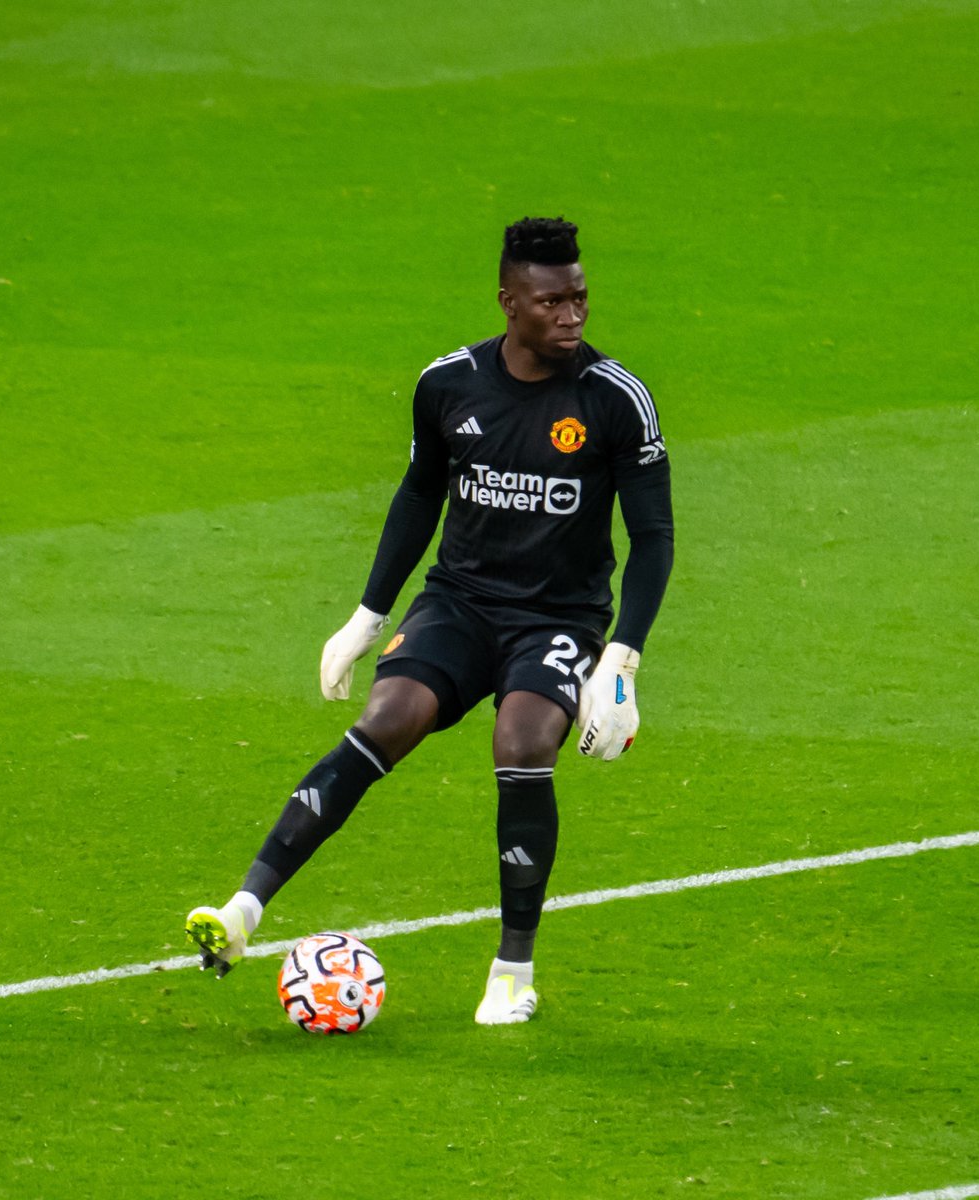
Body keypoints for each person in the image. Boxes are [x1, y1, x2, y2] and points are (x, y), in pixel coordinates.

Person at [186, 216, 674, 1024]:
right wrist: (367, 616)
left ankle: (512, 971)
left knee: (522, 742)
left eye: (580, 298)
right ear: (509, 301)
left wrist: (620, 661)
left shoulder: (615, 399)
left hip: (557, 618)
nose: (572, 315)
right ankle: (242, 911)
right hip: (460, 603)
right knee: (386, 718)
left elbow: (653, 537)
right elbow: (419, 495)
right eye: (551, 302)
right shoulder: (449, 384)